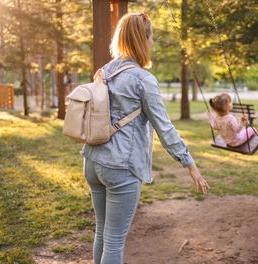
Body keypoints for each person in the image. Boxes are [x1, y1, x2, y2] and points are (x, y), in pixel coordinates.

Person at [83, 13, 209, 264]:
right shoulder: (143, 79)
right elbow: (165, 127)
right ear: (143, 39)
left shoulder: (105, 71)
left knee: (102, 233)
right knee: (115, 239)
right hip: (121, 165)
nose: (153, 43)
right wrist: (190, 164)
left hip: (93, 160)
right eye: (151, 38)